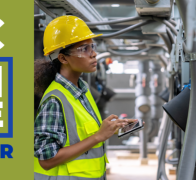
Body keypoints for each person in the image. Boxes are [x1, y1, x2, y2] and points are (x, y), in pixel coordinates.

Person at [34, 15, 138, 180]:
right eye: (84, 49)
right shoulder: (55, 100)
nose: (94, 54)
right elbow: (47, 160)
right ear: (63, 58)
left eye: (92, 47)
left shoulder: (82, 91)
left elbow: (80, 136)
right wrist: (99, 136)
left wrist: (111, 128)